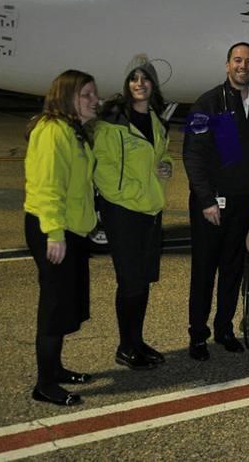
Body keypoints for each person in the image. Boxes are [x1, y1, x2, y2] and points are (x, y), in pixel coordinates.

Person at [183, 42, 249, 361]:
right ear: (227, 66)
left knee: (232, 269)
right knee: (204, 272)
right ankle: (198, 335)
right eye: (237, 60)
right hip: (211, 205)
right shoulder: (207, 103)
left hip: (242, 202)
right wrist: (206, 199)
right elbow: (193, 156)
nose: (243, 66)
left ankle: (224, 329)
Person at [24, 69, 99, 406]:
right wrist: (54, 233)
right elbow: (47, 187)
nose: (94, 100)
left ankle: (55, 369)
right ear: (67, 96)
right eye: (87, 95)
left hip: (72, 229)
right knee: (53, 306)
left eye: (94, 95)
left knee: (65, 301)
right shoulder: (52, 131)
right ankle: (44, 384)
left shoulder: (75, 131)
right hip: (53, 228)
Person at [93, 55, 172, 370]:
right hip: (123, 211)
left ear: (153, 85)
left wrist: (167, 165)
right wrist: (128, 196)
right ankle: (125, 347)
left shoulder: (156, 120)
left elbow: (163, 153)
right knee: (129, 282)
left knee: (142, 280)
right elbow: (103, 167)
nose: (139, 84)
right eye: (134, 79)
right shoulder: (112, 120)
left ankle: (136, 341)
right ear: (127, 85)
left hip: (150, 210)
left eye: (145, 79)